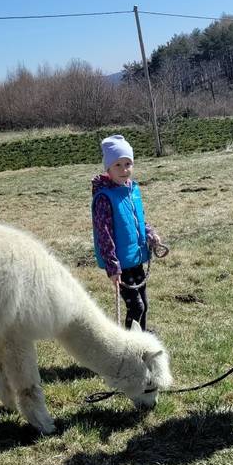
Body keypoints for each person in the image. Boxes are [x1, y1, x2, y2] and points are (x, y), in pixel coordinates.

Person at [91, 134, 164, 330]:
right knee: (136, 307)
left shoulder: (132, 190)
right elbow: (103, 234)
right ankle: (131, 346)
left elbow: (139, 221)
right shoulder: (104, 198)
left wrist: (150, 233)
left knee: (144, 304)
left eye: (128, 164)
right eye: (118, 165)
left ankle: (143, 340)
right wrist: (113, 267)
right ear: (108, 168)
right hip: (121, 263)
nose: (124, 170)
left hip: (136, 257)